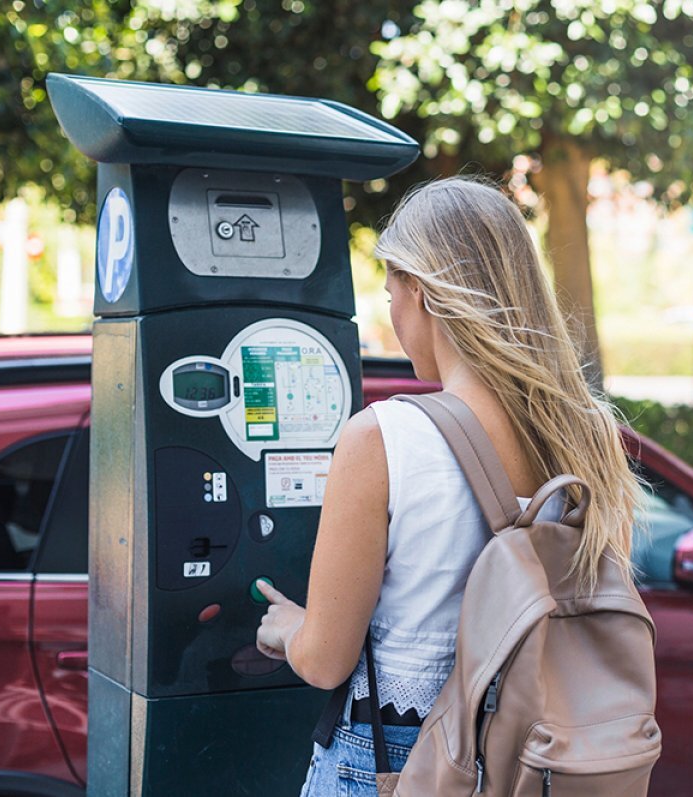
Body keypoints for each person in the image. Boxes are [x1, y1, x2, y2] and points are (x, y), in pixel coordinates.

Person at [253, 176, 642, 796]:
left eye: (390, 293)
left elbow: (325, 660)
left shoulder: (382, 437)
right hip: (535, 759)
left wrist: (288, 627)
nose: (393, 315)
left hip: (394, 762)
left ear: (424, 293)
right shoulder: (587, 432)